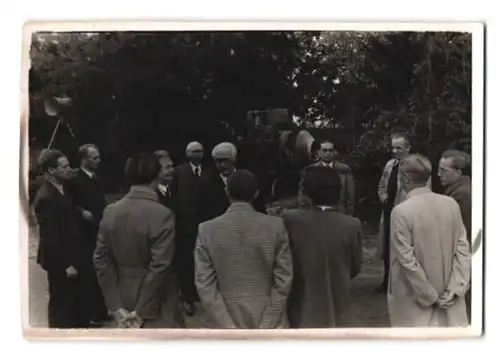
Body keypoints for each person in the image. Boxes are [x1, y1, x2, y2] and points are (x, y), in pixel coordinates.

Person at [94, 153, 183, 328]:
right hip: (156, 297)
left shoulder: (111, 211)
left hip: (123, 291)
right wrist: (141, 310)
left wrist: (116, 305)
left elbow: (101, 259)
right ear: (157, 176)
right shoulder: (162, 214)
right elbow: (160, 266)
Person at [195, 170, 293, 329]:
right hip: (271, 322)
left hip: (225, 323)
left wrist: (227, 325)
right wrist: (267, 323)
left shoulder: (207, 230)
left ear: (226, 191)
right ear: (256, 194)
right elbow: (284, 280)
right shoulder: (275, 226)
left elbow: (205, 285)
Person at [388, 154, 471, 327]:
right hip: (449, 296)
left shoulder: (401, 211)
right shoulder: (450, 204)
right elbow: (463, 249)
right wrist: (455, 288)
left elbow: (406, 260)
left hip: (416, 302)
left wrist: (431, 295)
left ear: (405, 178)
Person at [283, 165, 362, 328]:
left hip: (302, 306)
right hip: (339, 305)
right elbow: (354, 267)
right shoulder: (351, 225)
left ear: (307, 193)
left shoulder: (291, 220)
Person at [32, 149, 89, 328]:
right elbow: (50, 236)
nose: (69, 169)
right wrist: (66, 264)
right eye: (64, 167)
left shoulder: (63, 188)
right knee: (61, 302)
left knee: (73, 300)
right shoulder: (46, 198)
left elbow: (68, 211)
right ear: (51, 171)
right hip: (60, 260)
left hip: (73, 253)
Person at [376, 132, 431, 292]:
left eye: (398, 147)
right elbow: (381, 185)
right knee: (387, 245)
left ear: (408, 148)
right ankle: (387, 281)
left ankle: (406, 283)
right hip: (389, 211)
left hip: (408, 212)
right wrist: (384, 198)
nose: (394, 151)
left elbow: (424, 190)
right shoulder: (390, 165)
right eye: (393, 147)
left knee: (405, 247)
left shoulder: (416, 165)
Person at [65, 144, 110, 325]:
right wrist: (81, 211)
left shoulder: (97, 178)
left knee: (100, 270)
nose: (98, 161)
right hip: (83, 232)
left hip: (98, 228)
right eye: (94, 158)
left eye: (98, 157)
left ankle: (101, 309)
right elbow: (68, 204)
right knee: (88, 273)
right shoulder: (74, 180)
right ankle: (91, 313)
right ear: (83, 159)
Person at [169, 142, 205, 316]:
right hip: (185, 226)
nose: (197, 154)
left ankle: (204, 296)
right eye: (193, 152)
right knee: (186, 263)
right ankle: (188, 298)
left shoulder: (209, 172)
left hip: (205, 225)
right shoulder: (178, 172)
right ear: (187, 153)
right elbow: (173, 198)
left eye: (199, 152)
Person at [438, 149, 472, 323]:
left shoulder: (463, 195)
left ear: (458, 172)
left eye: (444, 170)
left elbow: (465, 235)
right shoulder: (455, 191)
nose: (439, 174)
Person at [298, 140, 355, 216]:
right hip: (315, 215)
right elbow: (303, 196)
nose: (328, 153)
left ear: (334, 152)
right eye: (324, 150)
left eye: (330, 150)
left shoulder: (344, 169)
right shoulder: (311, 170)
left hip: (339, 214)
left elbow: (350, 197)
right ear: (319, 152)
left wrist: (348, 216)